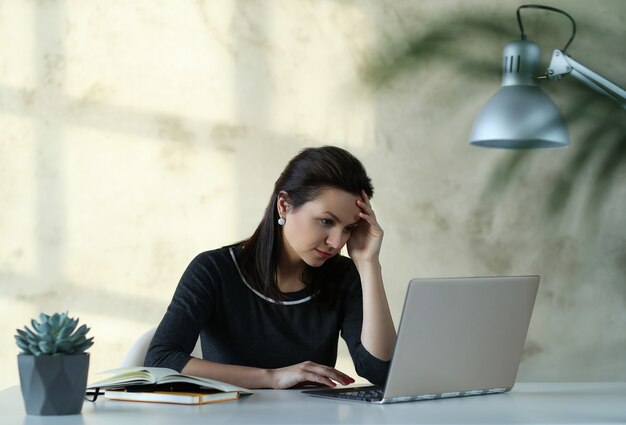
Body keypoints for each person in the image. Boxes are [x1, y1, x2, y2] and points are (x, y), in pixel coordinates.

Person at [145, 146, 396, 389]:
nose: (337, 241)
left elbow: (379, 370)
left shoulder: (343, 276)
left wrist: (368, 263)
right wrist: (272, 377)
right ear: (284, 205)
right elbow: (160, 360)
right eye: (326, 221)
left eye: (349, 228)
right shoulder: (214, 270)